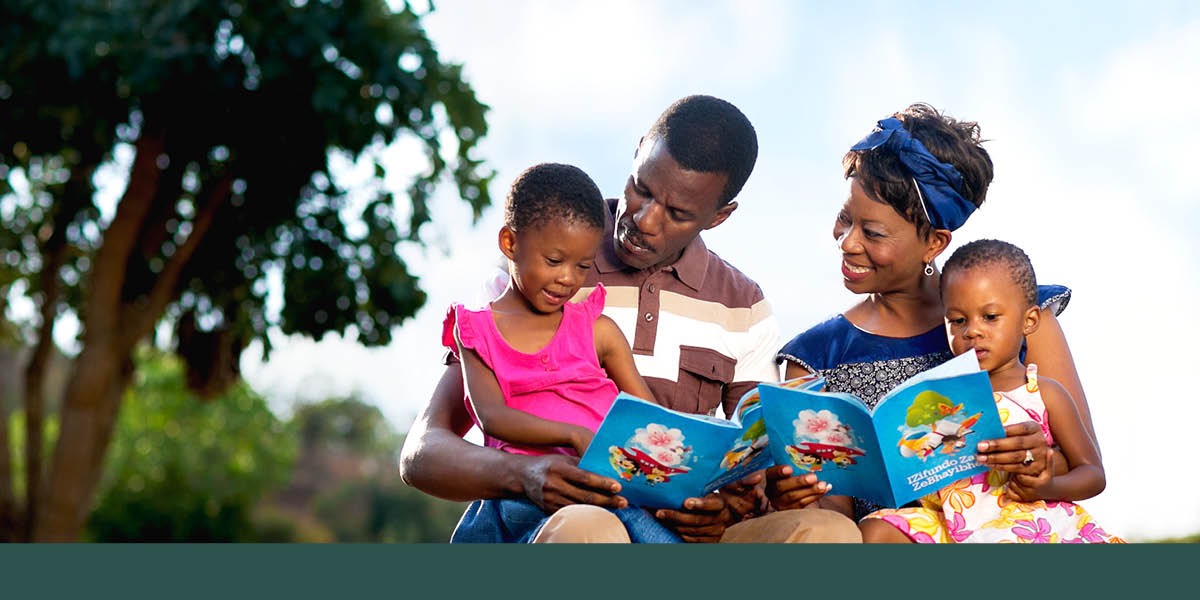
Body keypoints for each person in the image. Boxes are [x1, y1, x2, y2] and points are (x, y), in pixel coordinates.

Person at [399, 94, 861, 543]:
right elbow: (422, 455)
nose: (644, 218)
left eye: (678, 213)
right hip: (563, 522)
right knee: (591, 527)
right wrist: (525, 474)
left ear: (718, 216)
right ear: (638, 149)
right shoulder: (538, 261)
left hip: (682, 530)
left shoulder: (742, 305)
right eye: (641, 188)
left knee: (829, 533)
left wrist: (725, 507)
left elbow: (753, 462)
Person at [770, 103, 1098, 523]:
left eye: (872, 232)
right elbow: (832, 519)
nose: (847, 242)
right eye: (844, 218)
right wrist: (799, 493)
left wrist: (1040, 459)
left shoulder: (1023, 317)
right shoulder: (816, 357)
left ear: (934, 243)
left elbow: (1082, 465)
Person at [443, 162, 679, 542]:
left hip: (612, 484)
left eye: (583, 266)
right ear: (510, 243)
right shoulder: (477, 331)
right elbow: (491, 416)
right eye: (554, 261)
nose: (568, 278)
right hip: (532, 489)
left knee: (649, 527)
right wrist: (573, 434)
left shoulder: (597, 329)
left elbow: (649, 416)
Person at [858, 239, 1123, 542]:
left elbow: (1092, 474)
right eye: (958, 321)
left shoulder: (1044, 393)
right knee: (874, 529)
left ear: (1029, 320)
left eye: (990, 317)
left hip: (1023, 517)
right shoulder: (940, 398)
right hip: (951, 523)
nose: (972, 331)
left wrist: (1047, 487)